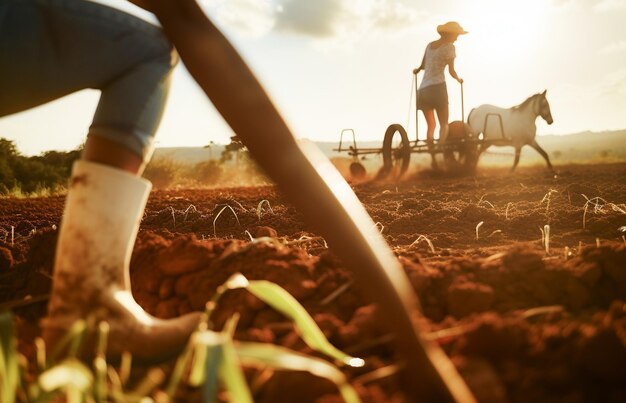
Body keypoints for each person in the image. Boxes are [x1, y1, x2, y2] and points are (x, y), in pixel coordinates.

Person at [0, 2, 475, 399]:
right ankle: (87, 304)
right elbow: (191, 28)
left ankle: (89, 309)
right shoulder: (444, 49)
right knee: (144, 50)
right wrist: (410, 336)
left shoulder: (433, 47)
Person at [413, 21, 467, 168]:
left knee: (431, 125)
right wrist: (458, 79)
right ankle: (440, 149)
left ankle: (433, 158)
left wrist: (417, 70)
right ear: (450, 34)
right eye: (456, 35)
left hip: (423, 90)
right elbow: (451, 71)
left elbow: (423, 66)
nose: (457, 38)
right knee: (444, 124)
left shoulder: (430, 45)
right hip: (437, 88)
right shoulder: (450, 48)